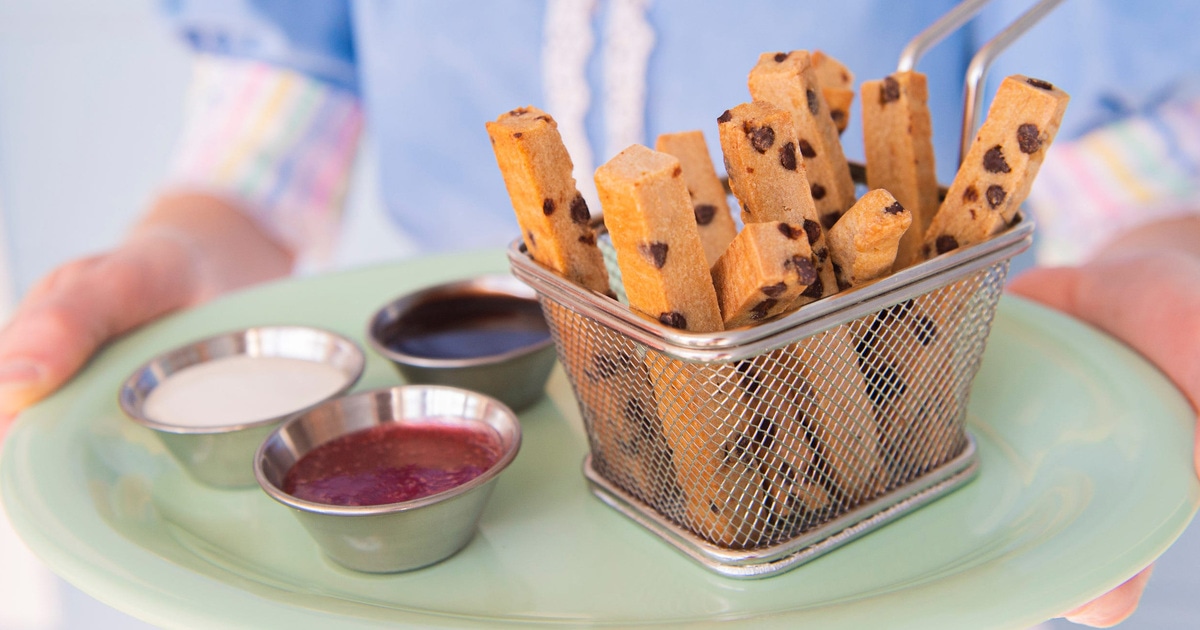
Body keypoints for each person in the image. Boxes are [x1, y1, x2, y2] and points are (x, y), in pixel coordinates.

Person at [0, 1, 1197, 626]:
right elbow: (284, 84)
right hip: (533, 406)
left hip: (894, 460)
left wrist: (1163, 254)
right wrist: (194, 237)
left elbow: (1118, 157)